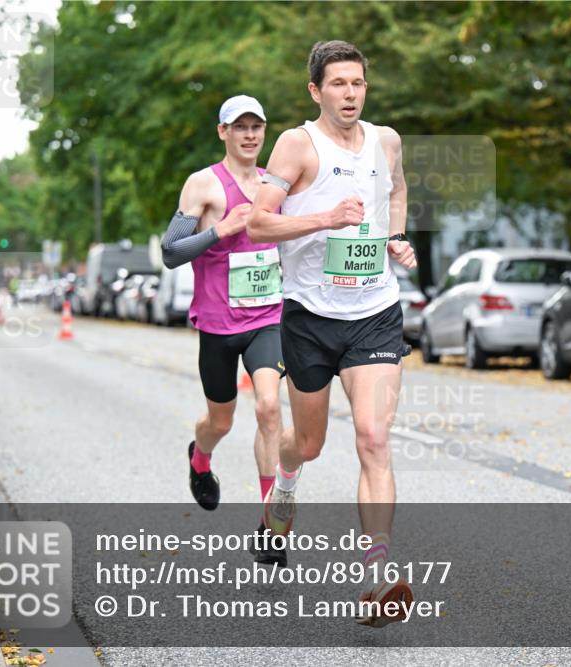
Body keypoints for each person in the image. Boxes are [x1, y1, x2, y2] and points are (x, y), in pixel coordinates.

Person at [247, 40, 417, 627]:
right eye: (339, 84)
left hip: (374, 310)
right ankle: (284, 487)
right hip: (311, 317)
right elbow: (257, 222)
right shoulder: (297, 144)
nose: (350, 94)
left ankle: (376, 575)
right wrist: (324, 218)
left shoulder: (385, 140)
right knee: (310, 443)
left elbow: (393, 189)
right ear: (316, 91)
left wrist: (395, 237)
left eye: (359, 83)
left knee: (373, 438)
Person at [160, 94, 290, 566]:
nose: (250, 135)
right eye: (240, 127)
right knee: (221, 421)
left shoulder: (278, 186)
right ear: (224, 133)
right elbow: (171, 252)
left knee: (271, 407)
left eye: (257, 126)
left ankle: (271, 524)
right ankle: (200, 456)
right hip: (217, 325)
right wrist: (223, 229)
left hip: (267, 319)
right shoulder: (203, 185)